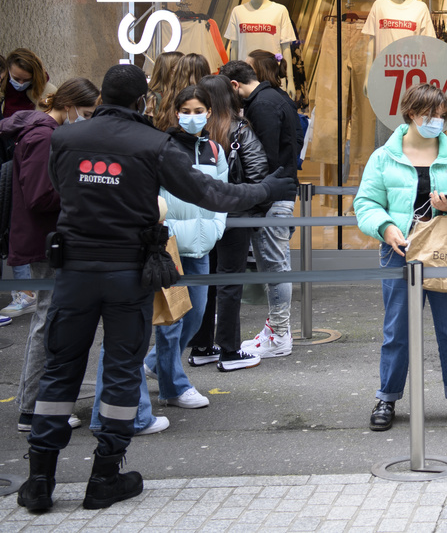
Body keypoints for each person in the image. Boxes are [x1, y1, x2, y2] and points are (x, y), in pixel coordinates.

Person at [17, 64, 295, 515]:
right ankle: (105, 476)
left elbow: (61, 190)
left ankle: (39, 482)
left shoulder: (65, 139)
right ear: (143, 102)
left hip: (73, 272)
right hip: (129, 271)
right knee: (123, 370)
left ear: (102, 95)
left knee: (60, 370)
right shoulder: (153, 144)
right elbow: (212, 194)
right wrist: (266, 186)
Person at [354, 82, 447, 431]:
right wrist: (385, 227)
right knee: (397, 331)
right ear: (412, 113)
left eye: (442, 116)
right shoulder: (384, 157)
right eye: (430, 115)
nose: (437, 122)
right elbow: (365, 204)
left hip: (445, 250)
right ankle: (387, 397)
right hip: (400, 251)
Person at [1, 77, 99, 432]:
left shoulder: (41, 130)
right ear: (70, 105)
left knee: (50, 318)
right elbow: (41, 196)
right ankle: (35, 408)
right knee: (48, 320)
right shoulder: (44, 136)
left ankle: (37, 405)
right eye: (85, 113)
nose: (85, 120)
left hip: (45, 239)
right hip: (47, 241)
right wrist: (83, 191)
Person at [141, 85, 228, 410]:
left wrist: (217, 227)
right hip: (171, 245)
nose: (192, 117)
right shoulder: (164, 148)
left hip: (202, 245)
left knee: (195, 316)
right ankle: (173, 386)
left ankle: (156, 365)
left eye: (198, 111)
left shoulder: (214, 151)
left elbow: (222, 192)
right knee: (171, 320)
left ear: (208, 113)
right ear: (176, 113)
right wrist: (167, 229)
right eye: (186, 111)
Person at [220, 58, 302, 358]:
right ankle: (277, 330)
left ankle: (280, 334)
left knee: (275, 264)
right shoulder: (277, 97)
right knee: (275, 263)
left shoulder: (261, 105)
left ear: (234, 84)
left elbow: (263, 157)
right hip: (281, 190)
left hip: (272, 195)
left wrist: (260, 196)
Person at [186, 74, 267, 372]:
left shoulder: (193, 134)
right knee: (230, 281)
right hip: (234, 216)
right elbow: (258, 172)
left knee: (205, 281)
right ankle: (230, 351)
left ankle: (202, 346)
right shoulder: (238, 129)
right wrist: (252, 207)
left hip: (201, 216)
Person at [1, 48, 50, 319]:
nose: (17, 82)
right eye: (14, 77)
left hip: (22, 162)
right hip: (6, 161)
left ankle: (25, 292)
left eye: (23, 79)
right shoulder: (3, 90)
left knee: (18, 226)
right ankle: (22, 291)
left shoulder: (45, 92)